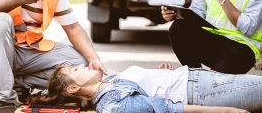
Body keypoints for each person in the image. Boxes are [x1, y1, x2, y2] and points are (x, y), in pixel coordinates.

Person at [29, 63, 262, 113]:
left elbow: (151, 89)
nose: (83, 65)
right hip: (204, 93)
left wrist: (161, 73)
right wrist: (228, 112)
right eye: (76, 70)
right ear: (73, 88)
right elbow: (171, 110)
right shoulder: (114, 105)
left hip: (198, 79)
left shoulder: (111, 83)